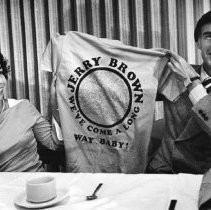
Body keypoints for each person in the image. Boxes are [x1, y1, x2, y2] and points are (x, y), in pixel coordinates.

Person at [147, 11, 211, 174]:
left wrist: (191, 82)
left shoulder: (184, 74)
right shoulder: (174, 72)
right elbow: (133, 89)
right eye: (208, 36)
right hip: (163, 169)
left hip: (203, 177)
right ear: (198, 42)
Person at [0, 52, 64, 172]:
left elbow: (55, 144)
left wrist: (55, 104)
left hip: (37, 184)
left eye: (0, 73)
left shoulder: (22, 107)